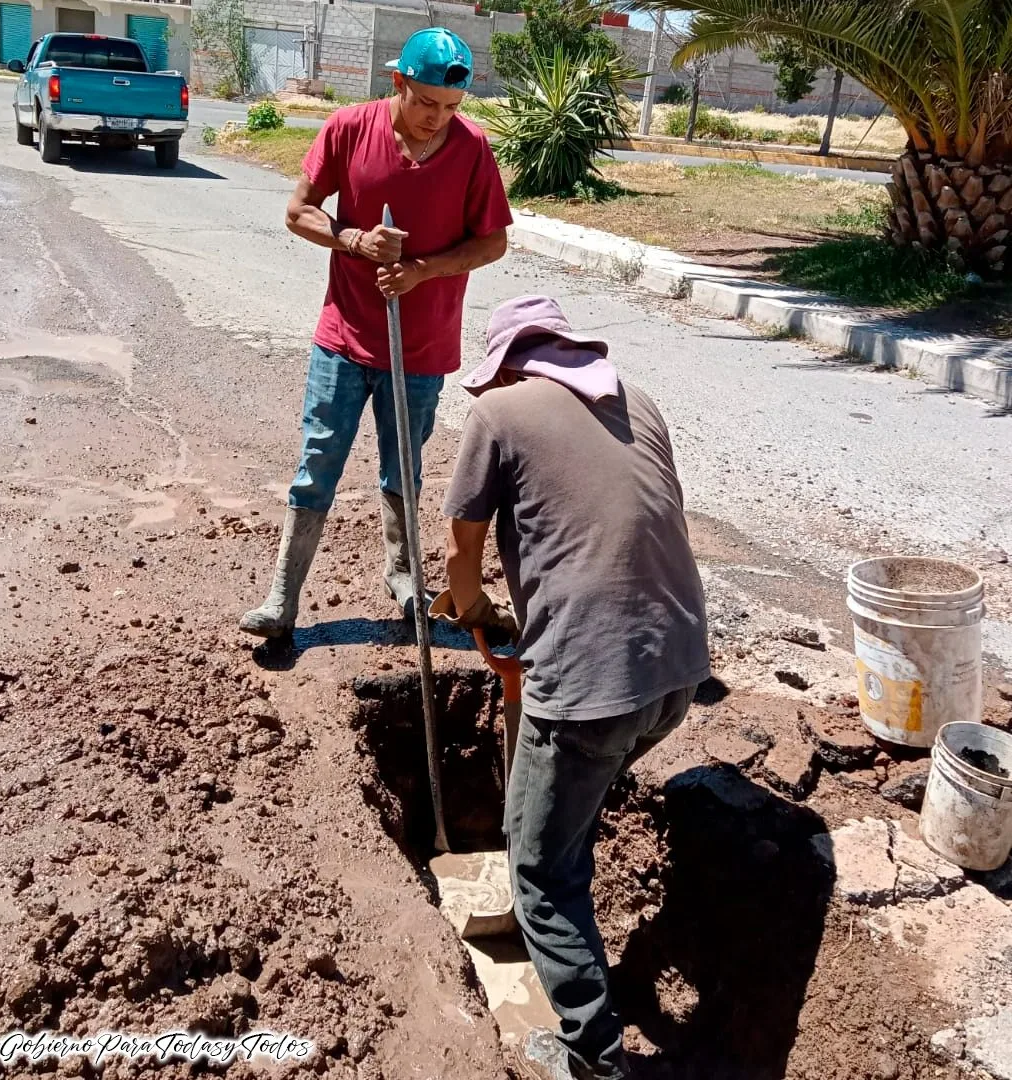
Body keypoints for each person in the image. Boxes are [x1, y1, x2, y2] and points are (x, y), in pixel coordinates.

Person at [432, 295, 710, 1080]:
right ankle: (552, 899)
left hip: (592, 681)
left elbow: (460, 551)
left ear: (508, 363)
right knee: (561, 817)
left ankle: (591, 1055)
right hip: (676, 669)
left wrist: (475, 603)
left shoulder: (502, 413)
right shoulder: (637, 399)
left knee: (542, 871)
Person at [240, 27, 512, 638]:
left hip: (420, 350)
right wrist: (353, 240)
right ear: (398, 84)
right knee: (317, 463)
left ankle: (405, 580)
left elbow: (493, 241)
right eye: (425, 104)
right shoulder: (348, 128)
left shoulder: (472, 149)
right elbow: (297, 211)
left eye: (449, 108)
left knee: (403, 470)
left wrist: (423, 271)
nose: (436, 120)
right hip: (343, 338)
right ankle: (282, 600)